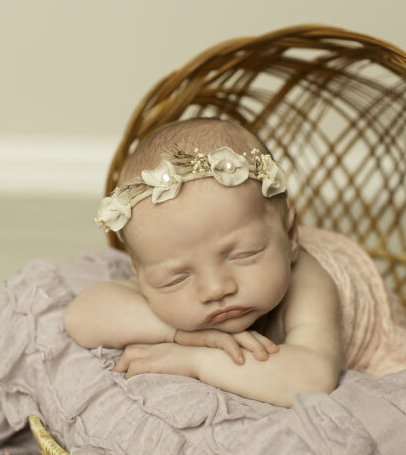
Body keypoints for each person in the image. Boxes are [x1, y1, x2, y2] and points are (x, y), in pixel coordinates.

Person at [63, 118, 344, 407]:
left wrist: (196, 360)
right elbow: (80, 317)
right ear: (141, 275)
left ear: (290, 236)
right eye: (177, 278)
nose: (215, 289)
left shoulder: (309, 283)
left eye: (243, 255)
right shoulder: (169, 262)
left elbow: (312, 380)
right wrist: (181, 335)